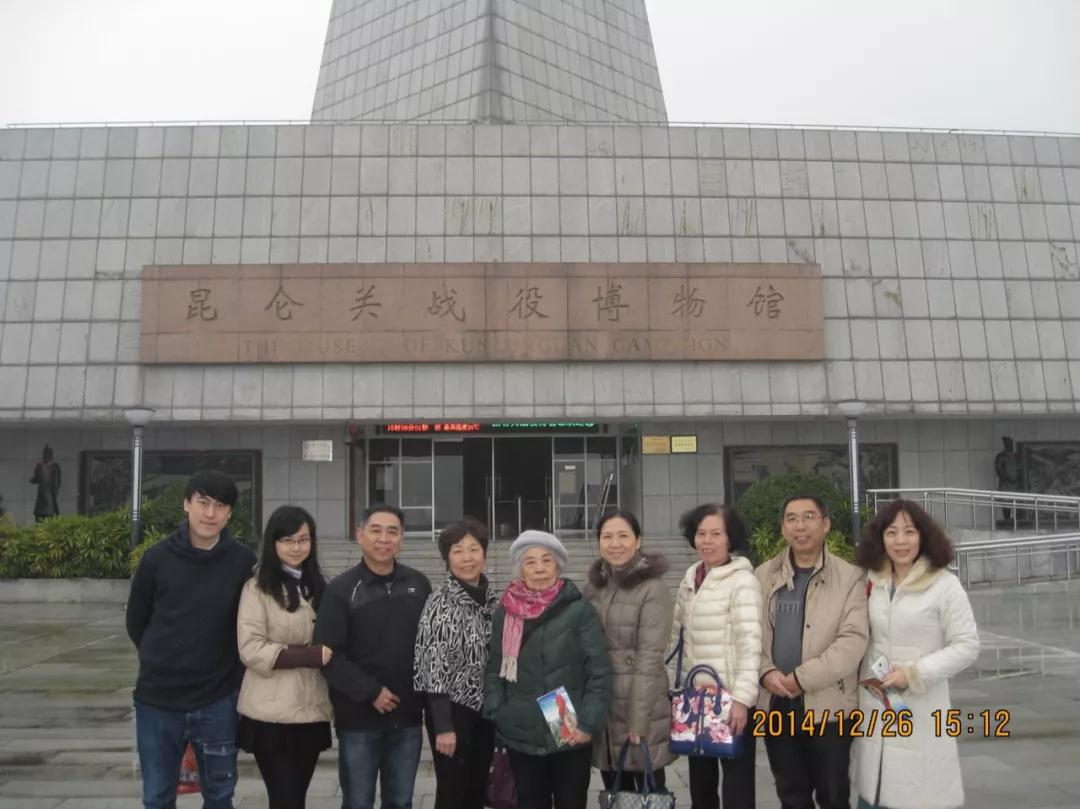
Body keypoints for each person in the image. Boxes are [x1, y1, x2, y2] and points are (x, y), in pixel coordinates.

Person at [126, 470, 256, 809]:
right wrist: (161, 659)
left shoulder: (243, 561)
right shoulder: (157, 558)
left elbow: (249, 625)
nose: (210, 514)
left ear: (229, 513)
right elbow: (136, 620)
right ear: (187, 504)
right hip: (158, 701)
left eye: (220, 506)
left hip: (217, 702)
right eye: (203, 503)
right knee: (157, 797)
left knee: (220, 796)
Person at [851, 499, 979, 809]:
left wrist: (914, 673)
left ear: (923, 536)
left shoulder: (944, 585)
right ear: (880, 539)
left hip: (921, 708)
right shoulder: (871, 581)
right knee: (874, 787)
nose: (900, 541)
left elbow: (967, 645)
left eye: (909, 532)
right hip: (875, 705)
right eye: (891, 532)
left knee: (917, 792)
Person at [313, 505, 432, 809]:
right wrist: (371, 692)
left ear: (402, 538)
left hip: (407, 718)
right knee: (358, 801)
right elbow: (329, 655)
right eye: (376, 530)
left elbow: (429, 648)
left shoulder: (419, 584)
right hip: (358, 719)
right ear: (360, 535)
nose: (384, 539)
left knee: (401, 801)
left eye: (392, 532)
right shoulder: (340, 590)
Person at [483, 530, 612, 809]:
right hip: (520, 727)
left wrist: (587, 723)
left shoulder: (578, 610)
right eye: (530, 562)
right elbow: (494, 669)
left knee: (570, 801)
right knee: (530, 801)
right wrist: (499, 711)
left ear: (557, 566)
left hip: (567, 721)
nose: (539, 568)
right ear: (521, 569)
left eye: (546, 560)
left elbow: (599, 673)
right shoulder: (506, 612)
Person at [756, 494, 869, 809]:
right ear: (783, 528)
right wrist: (766, 672)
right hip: (777, 703)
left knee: (833, 794)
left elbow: (853, 641)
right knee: (791, 794)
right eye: (791, 519)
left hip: (830, 707)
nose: (800, 526)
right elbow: (747, 635)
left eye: (809, 517)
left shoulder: (850, 578)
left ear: (826, 524)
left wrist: (801, 679)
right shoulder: (762, 576)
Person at [236, 505, 333, 809]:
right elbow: (251, 648)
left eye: (303, 540)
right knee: (285, 799)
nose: (296, 547)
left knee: (296, 798)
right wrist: (310, 655)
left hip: (311, 709)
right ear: (273, 543)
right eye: (288, 540)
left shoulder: (320, 585)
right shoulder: (257, 588)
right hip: (271, 715)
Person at [671, 504, 762, 809]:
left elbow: (751, 643)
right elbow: (677, 639)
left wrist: (742, 700)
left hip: (731, 702)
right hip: (697, 701)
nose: (707, 541)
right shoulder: (691, 579)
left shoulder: (742, 581)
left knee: (737, 789)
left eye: (716, 534)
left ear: (730, 538)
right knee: (701, 787)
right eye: (701, 534)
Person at [584, 509, 674, 792]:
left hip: (639, 706)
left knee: (648, 793)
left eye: (623, 535)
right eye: (607, 536)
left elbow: (649, 658)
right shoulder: (594, 587)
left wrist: (638, 720)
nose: (615, 544)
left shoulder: (652, 588)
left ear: (637, 541)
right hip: (605, 706)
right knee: (616, 791)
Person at [413, 518, 500, 809]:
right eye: (458, 551)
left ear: (484, 554)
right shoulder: (440, 602)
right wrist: (443, 727)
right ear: (447, 558)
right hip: (453, 710)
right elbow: (433, 667)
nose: (467, 558)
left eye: (473, 549)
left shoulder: (492, 601)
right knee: (453, 791)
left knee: (476, 789)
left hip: (484, 711)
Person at [30, 443, 61, 521]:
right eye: (44, 455)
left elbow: (56, 483)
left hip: (49, 497)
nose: (45, 457)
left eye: (47, 455)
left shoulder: (54, 467)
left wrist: (55, 491)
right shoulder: (40, 466)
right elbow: (37, 478)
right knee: (40, 517)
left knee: (47, 516)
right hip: (43, 497)